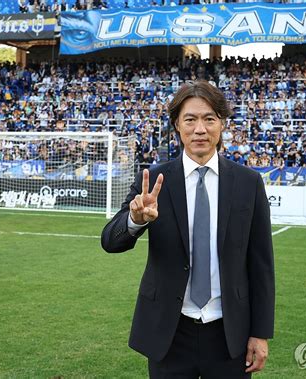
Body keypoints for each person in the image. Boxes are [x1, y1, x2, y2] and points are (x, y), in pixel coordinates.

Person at [101, 81, 275, 379]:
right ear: (177, 125)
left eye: (209, 119)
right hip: (170, 331)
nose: (200, 129)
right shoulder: (155, 179)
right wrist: (136, 220)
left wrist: (260, 333)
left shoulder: (248, 183)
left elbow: (261, 264)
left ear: (222, 123)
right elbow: (110, 241)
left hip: (229, 331)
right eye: (190, 119)